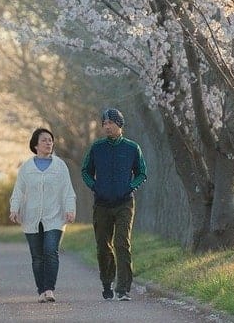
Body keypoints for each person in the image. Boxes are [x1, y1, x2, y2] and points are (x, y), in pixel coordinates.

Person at [80, 108, 146, 301]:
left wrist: (130, 187)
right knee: (103, 245)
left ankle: (123, 288)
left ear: (120, 124)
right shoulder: (97, 148)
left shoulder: (132, 148)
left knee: (122, 243)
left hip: (124, 203)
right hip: (102, 204)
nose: (107, 126)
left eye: (111, 123)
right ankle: (107, 281)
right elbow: (85, 171)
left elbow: (142, 173)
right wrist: (95, 187)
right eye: (104, 123)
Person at [9, 128, 77, 303]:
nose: (49, 143)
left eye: (50, 140)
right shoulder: (27, 167)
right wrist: (14, 209)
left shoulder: (60, 165)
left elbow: (68, 190)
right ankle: (41, 290)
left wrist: (70, 209)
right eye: (45, 140)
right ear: (35, 144)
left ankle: (49, 290)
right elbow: (18, 191)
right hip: (31, 217)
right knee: (37, 256)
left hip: (55, 216)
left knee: (50, 251)